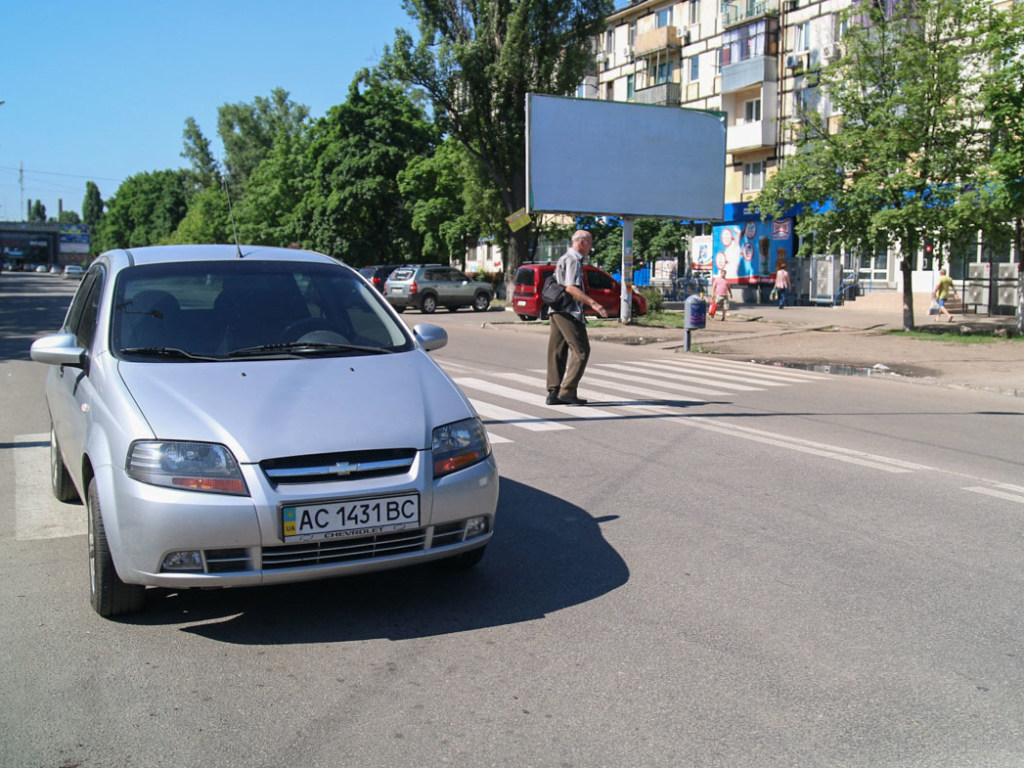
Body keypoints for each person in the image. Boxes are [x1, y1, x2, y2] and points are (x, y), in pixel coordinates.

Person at [546, 230, 608, 406]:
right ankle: (567, 391)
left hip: (556, 309)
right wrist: (594, 304)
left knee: (557, 350)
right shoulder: (573, 260)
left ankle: (553, 391)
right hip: (568, 310)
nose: (591, 247)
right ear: (582, 243)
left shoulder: (564, 258)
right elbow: (571, 288)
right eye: (590, 243)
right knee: (581, 351)